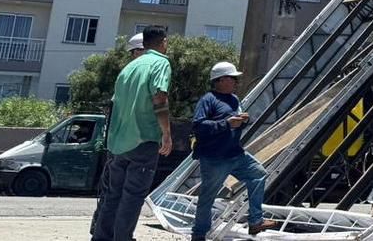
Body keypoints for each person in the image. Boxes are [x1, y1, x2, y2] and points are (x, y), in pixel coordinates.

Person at [91, 26, 173, 241]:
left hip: (118, 143)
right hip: (143, 139)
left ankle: (101, 238)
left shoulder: (128, 68)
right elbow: (159, 97)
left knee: (113, 195)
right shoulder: (161, 63)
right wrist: (166, 133)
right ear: (163, 42)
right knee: (133, 196)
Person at [190, 62, 277, 240]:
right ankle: (198, 235)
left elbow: (235, 121)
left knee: (258, 174)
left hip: (235, 154)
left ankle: (255, 221)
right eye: (233, 78)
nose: (236, 82)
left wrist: (243, 120)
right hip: (214, 158)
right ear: (220, 80)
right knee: (207, 197)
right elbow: (198, 126)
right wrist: (227, 123)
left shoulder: (234, 99)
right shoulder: (208, 100)